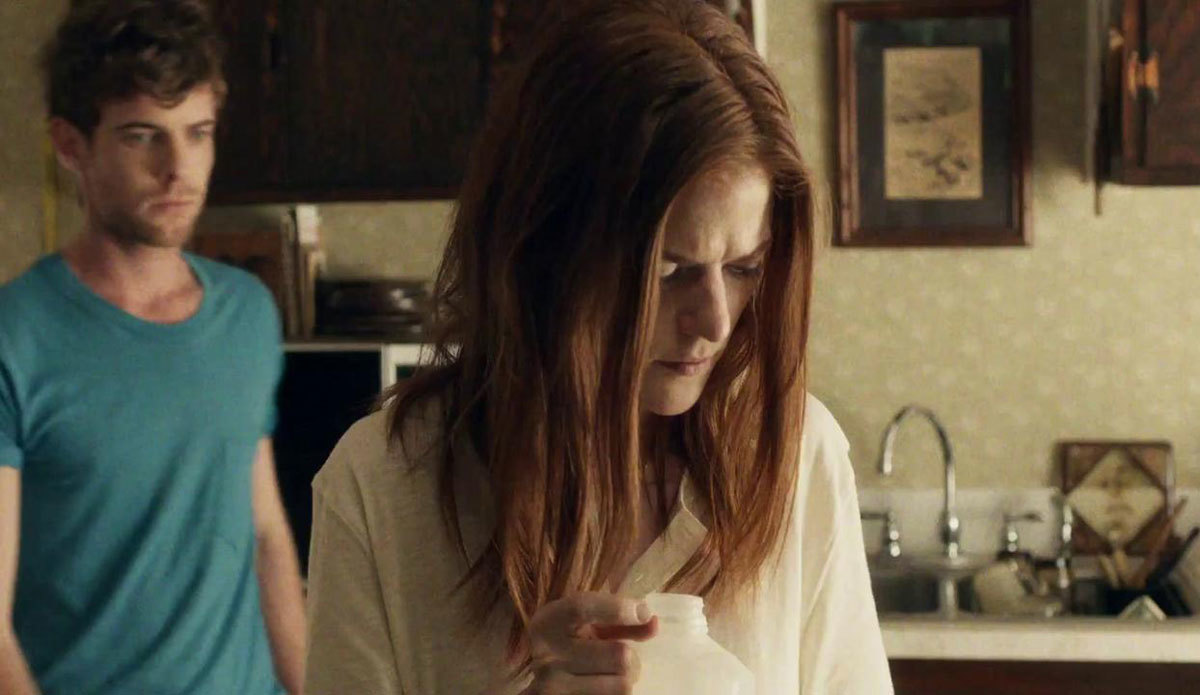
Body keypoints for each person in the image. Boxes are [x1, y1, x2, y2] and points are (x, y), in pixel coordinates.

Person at [304, 0, 891, 693]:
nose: (714, 320)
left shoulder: (795, 456)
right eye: (668, 271)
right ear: (543, 253)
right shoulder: (380, 488)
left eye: (743, 268)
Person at [0, 2, 306, 693]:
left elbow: (265, 536)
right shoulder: (14, 337)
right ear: (71, 145)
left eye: (198, 133)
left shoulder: (248, 313)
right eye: (143, 137)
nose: (178, 169)